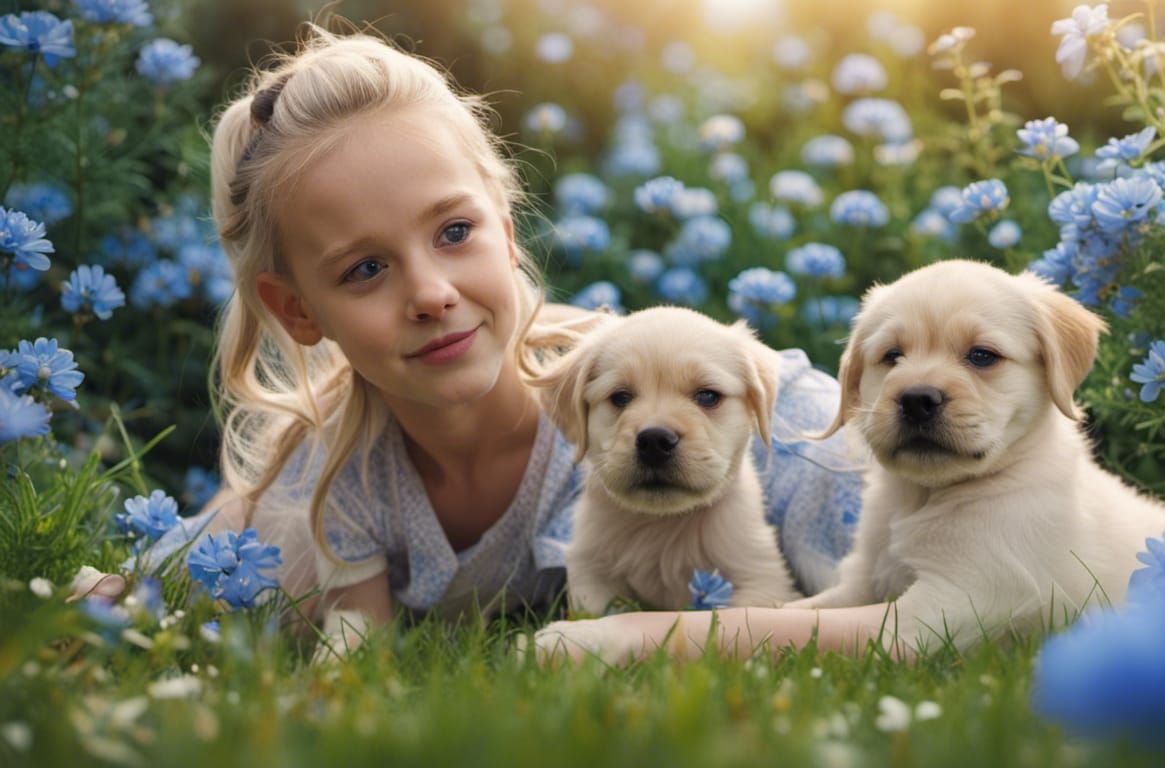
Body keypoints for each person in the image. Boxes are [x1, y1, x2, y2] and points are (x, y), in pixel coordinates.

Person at [200, 25, 863, 655]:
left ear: (508, 231)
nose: (432, 294)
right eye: (365, 269)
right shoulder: (338, 471)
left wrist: (631, 641)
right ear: (296, 311)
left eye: (455, 231)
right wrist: (124, 589)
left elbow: (935, 612)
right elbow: (223, 531)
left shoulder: (773, 430)